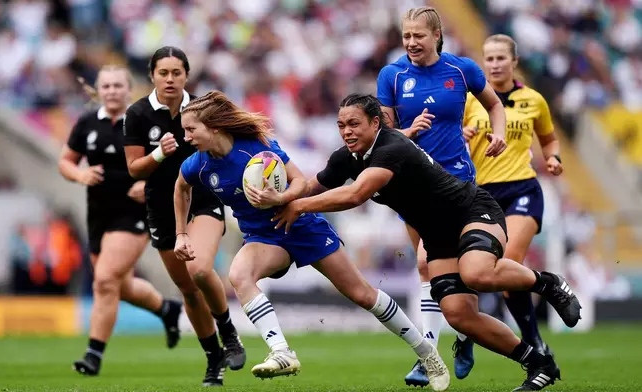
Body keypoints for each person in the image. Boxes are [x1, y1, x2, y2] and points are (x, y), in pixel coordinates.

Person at [274, 93, 582, 392]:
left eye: (354, 124)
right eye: (341, 126)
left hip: (471, 211)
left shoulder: (392, 147)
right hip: (437, 235)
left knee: (476, 273)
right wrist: (280, 197)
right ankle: (539, 364)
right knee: (458, 315)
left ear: (376, 123)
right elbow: (313, 185)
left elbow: (356, 195)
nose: (346, 132)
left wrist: (299, 207)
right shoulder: (346, 158)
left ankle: (548, 283)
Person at [173, 90, 451, 391]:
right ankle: (281, 352)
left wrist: (279, 198)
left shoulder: (256, 147)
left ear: (213, 127)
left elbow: (301, 183)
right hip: (263, 236)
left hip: (302, 226)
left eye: (191, 129)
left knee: (362, 295)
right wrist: (181, 233)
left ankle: (427, 353)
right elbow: (181, 188)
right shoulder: (197, 164)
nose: (186, 136)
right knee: (239, 274)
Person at [376, 7, 508, 384]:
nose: (411, 42)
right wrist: (409, 131)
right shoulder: (392, 75)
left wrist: (497, 132)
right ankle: (465, 332)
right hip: (411, 185)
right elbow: (383, 137)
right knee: (434, 270)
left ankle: (428, 354)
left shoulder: (461, 69)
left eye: (419, 35)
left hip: (455, 183)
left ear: (437, 35)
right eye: (406, 36)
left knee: (425, 262)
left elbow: (495, 104)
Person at [123, 47, 245, 387]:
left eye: (177, 72)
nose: (170, 79)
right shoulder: (137, 114)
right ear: (152, 75)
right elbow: (134, 169)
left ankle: (229, 331)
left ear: (186, 75)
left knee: (201, 269)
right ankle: (213, 358)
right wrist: (159, 153)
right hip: (161, 208)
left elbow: (231, 143)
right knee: (188, 290)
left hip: (203, 199)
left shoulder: (202, 110)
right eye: (163, 73)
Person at [58, 65, 182, 376]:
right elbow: (65, 161)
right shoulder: (87, 122)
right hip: (98, 213)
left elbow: (172, 161)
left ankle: (93, 354)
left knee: (104, 280)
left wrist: (149, 184)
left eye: (118, 85)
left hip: (135, 213)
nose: (112, 91)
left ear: (129, 89)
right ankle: (167, 310)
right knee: (120, 285)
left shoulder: (140, 121)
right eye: (107, 86)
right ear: (98, 90)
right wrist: (80, 174)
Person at [462, 34, 563, 359]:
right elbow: (448, 138)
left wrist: (553, 158)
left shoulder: (533, 99)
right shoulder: (469, 100)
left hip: (522, 189)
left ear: (514, 62)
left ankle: (533, 339)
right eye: (488, 59)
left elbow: (549, 140)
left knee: (508, 262)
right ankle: (469, 334)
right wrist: (460, 134)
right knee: (481, 271)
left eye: (500, 58)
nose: (494, 64)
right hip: (481, 195)